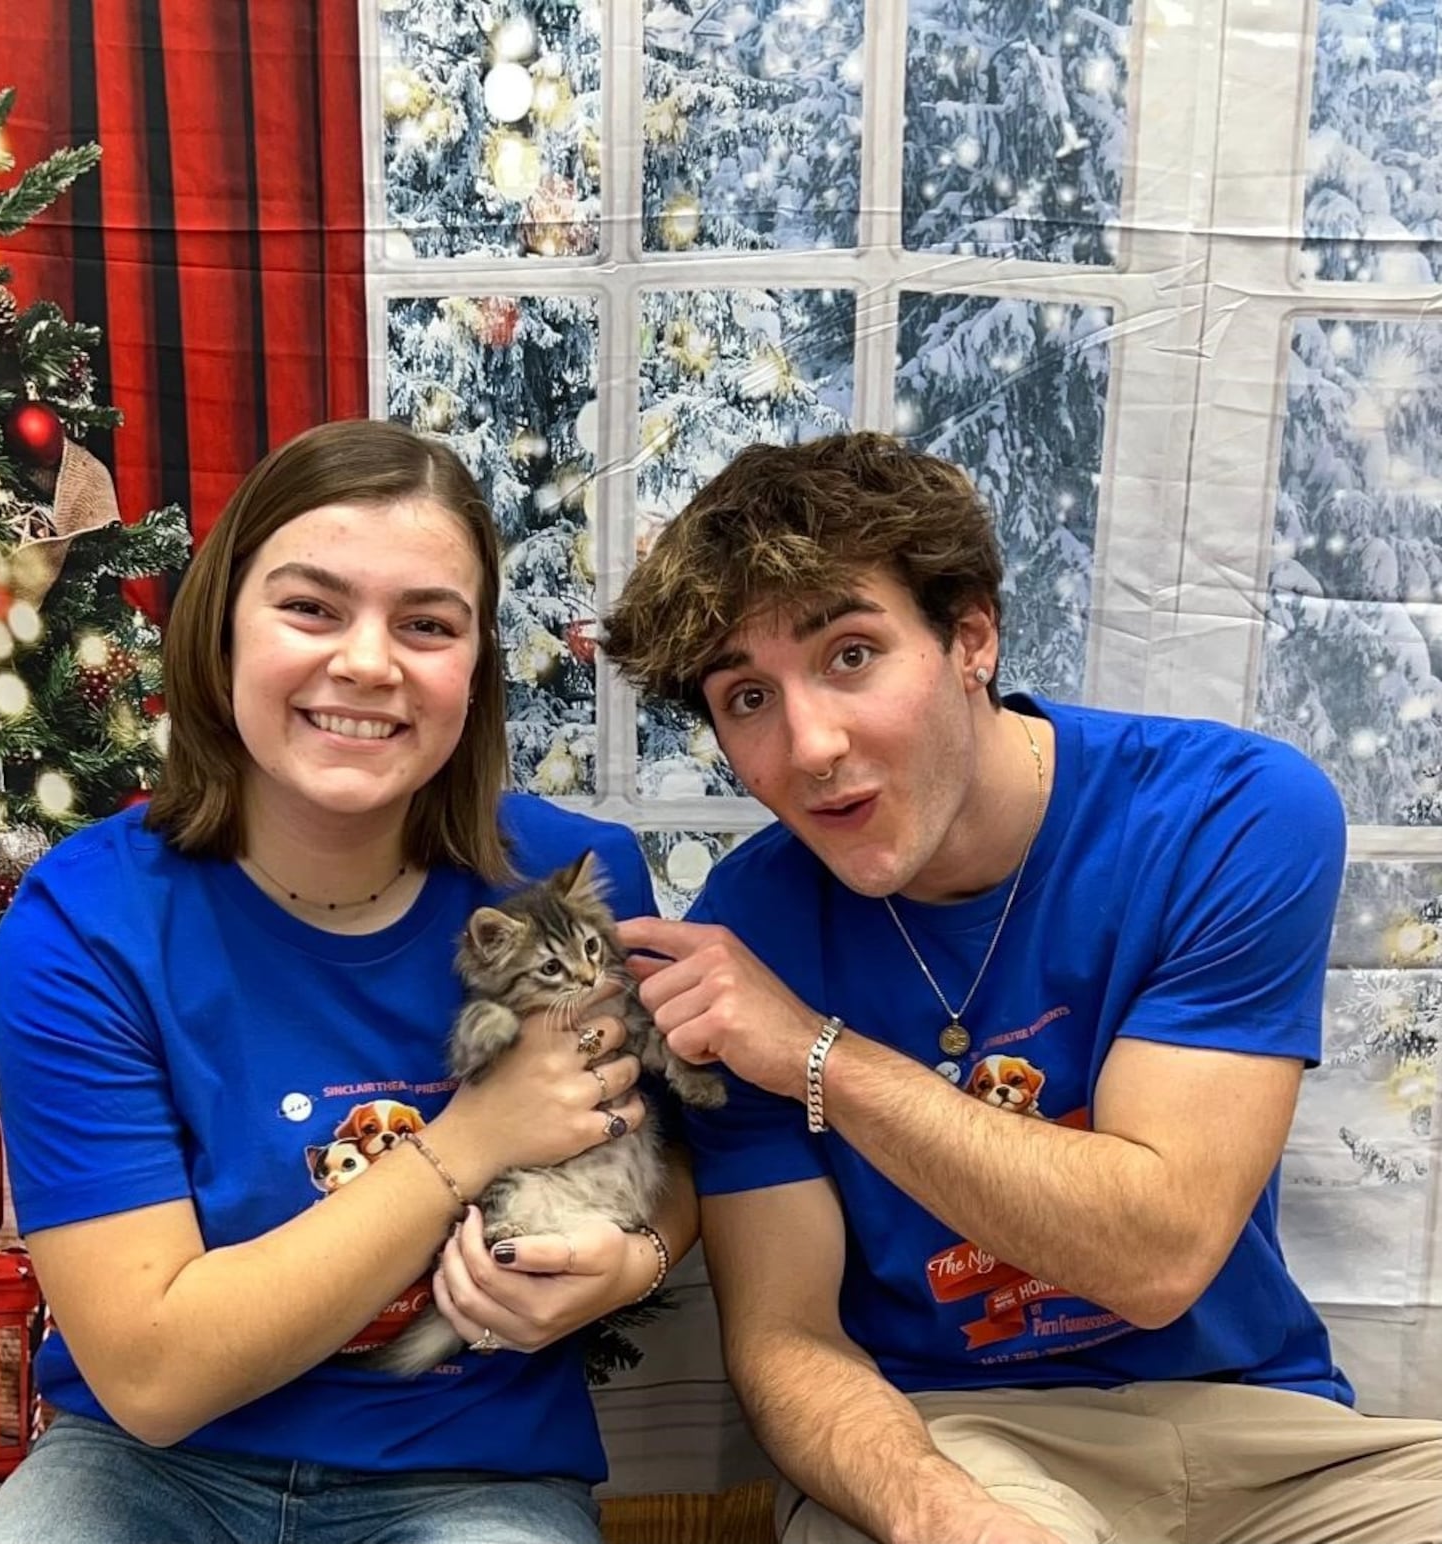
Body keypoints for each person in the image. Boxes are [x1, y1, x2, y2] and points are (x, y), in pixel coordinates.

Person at [601, 431, 1442, 1544]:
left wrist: (818, 1054)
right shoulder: (745, 935)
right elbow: (786, 1338)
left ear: (972, 639)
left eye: (850, 654)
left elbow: (1155, 1255)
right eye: (746, 696)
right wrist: (937, 1509)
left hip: (1262, 1428)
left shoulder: (1226, 815)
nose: (808, 743)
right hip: (953, 1431)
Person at [0, 419, 694, 1544]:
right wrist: (477, 1135)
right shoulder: (84, 925)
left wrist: (636, 1257)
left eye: (427, 623)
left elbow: (672, 1162)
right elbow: (157, 1374)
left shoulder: (575, 883)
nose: (367, 661)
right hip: (148, 1466)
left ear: (473, 669)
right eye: (311, 607)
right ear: (220, 635)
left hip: (473, 1468)